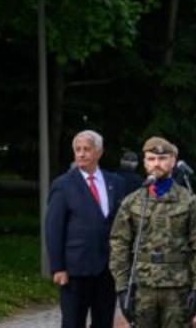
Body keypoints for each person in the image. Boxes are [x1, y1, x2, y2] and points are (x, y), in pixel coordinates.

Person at [109, 138, 196, 328]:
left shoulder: (189, 201)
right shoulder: (132, 202)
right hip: (142, 287)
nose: (157, 164)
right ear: (144, 162)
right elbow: (119, 244)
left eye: (163, 158)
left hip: (177, 286)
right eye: (151, 158)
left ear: (173, 161)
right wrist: (122, 289)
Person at [45, 130, 138, 328]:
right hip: (75, 269)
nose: (81, 154)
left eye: (86, 149)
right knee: (72, 322)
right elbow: (54, 228)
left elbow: (123, 223)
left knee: (104, 322)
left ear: (99, 152)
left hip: (108, 269)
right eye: (77, 150)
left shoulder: (116, 182)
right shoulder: (63, 185)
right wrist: (58, 267)